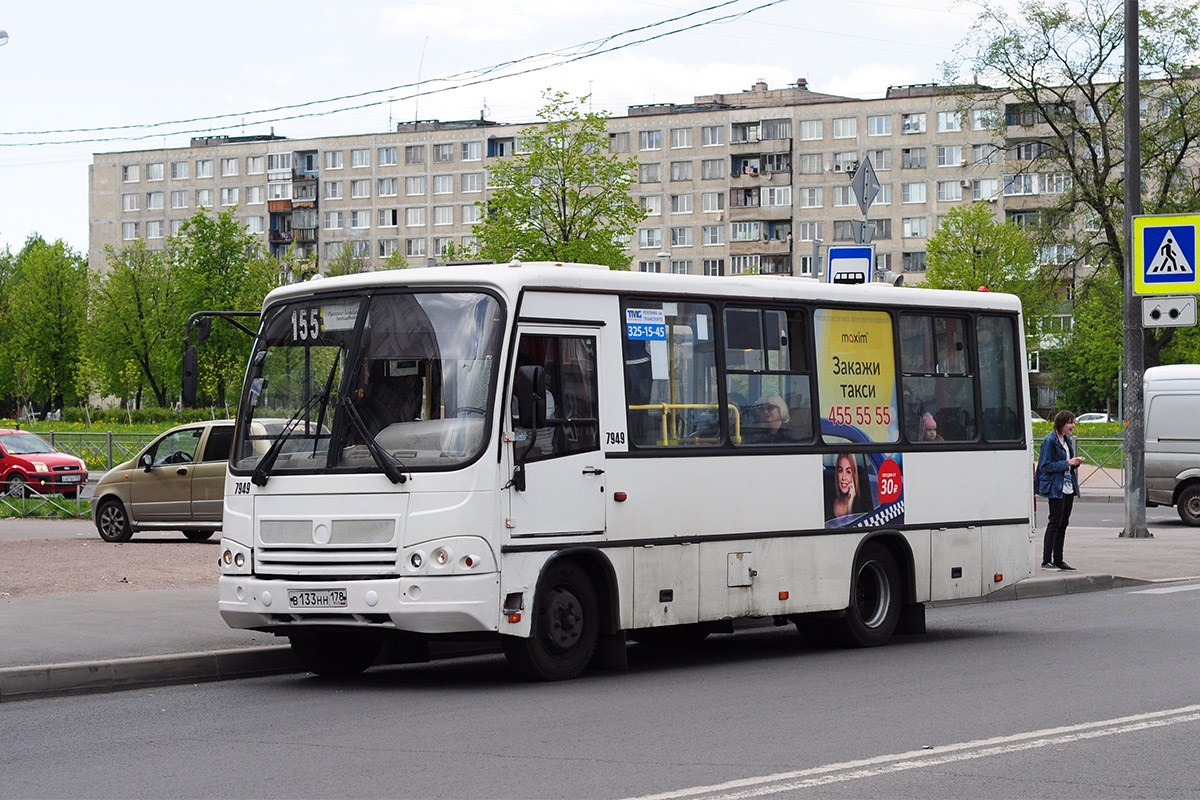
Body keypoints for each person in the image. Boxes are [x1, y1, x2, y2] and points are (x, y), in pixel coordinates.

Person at [1035, 410, 1084, 571]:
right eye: (1070, 422)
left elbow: (1066, 462)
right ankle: (1046, 560)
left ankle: (1059, 560)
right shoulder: (1050, 441)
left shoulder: (1066, 440)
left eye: (1074, 422)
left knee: (1063, 523)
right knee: (1054, 522)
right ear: (1061, 423)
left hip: (1068, 487)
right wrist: (1067, 463)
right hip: (1056, 487)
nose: (1073, 426)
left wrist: (1074, 463)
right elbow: (1045, 466)